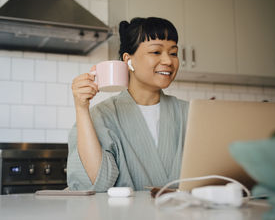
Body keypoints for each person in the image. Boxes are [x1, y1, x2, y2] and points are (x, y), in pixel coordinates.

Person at [67, 17, 189, 192]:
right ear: (128, 60)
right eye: (156, 52)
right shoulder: (100, 117)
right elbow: (95, 184)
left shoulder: (190, 113)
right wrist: (81, 108)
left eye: (173, 53)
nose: (169, 61)